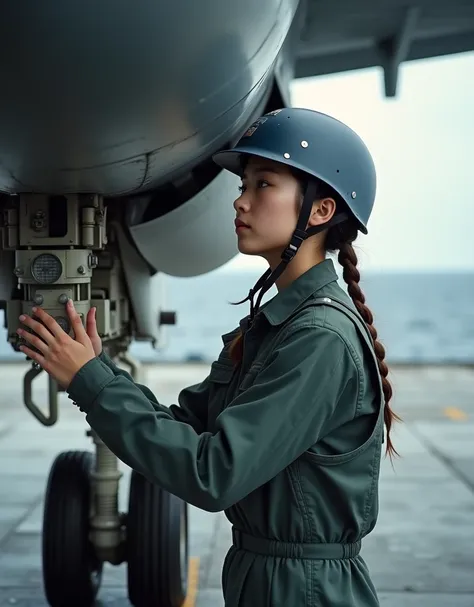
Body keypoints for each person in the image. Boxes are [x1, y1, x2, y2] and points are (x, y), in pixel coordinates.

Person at [17, 107, 399, 606]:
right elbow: (189, 429)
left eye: (263, 185)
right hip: (268, 576)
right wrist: (95, 370)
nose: (240, 202)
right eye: (243, 185)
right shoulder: (280, 324)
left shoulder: (319, 338)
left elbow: (212, 474)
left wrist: (92, 383)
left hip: (303, 589)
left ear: (320, 211)